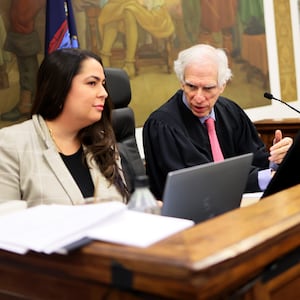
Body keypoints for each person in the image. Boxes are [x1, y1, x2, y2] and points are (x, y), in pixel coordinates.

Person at [143, 44, 293, 200]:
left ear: (222, 86)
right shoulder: (162, 126)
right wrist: (268, 177)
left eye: (208, 88)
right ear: (182, 82)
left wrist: (278, 159)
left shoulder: (231, 111)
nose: (199, 97)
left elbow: (256, 160)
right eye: (191, 86)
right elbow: (203, 183)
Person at [0, 48, 129, 207]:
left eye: (103, 84)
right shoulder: (10, 144)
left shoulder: (102, 141)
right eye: (92, 83)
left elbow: (121, 207)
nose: (104, 93)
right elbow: (6, 223)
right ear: (60, 88)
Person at [98, 0, 174, 77]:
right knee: (113, 11)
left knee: (128, 10)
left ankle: (129, 63)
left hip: (154, 11)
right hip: (136, 6)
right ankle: (105, 56)